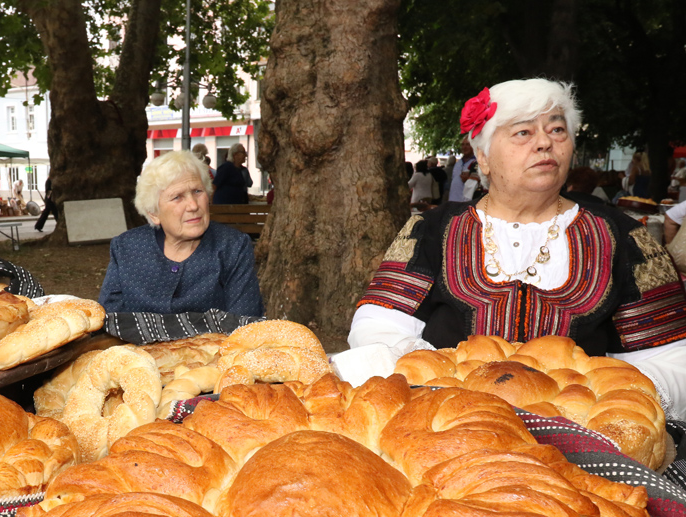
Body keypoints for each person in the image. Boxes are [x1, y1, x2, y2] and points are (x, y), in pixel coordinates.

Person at [346, 78, 686, 417]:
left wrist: (601, 393)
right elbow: (376, 328)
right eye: (523, 132)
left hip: (583, 433)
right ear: (484, 156)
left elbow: (672, 360)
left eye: (557, 130)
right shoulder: (432, 230)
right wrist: (440, 375)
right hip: (446, 423)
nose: (544, 143)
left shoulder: (623, 237)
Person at [98, 150, 263, 316]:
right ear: (154, 213)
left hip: (214, 342)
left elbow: (244, 323)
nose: (193, 205)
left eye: (198, 191)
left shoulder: (233, 247)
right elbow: (109, 321)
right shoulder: (127, 248)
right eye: (177, 197)